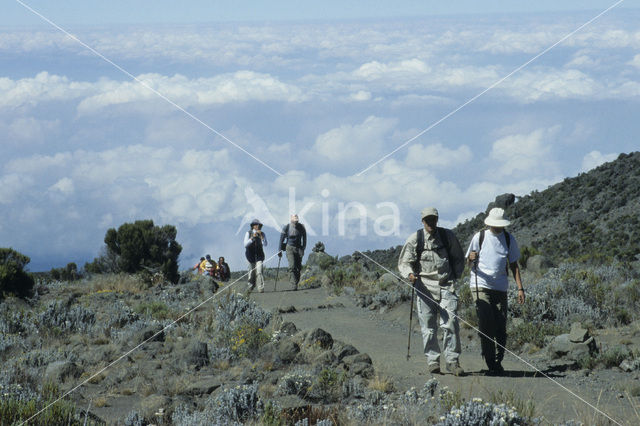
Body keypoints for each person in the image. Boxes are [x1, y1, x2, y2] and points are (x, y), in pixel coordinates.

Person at [398, 207, 465, 376]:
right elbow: (404, 262)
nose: (430, 223)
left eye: (433, 219)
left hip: (446, 285)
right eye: (427, 220)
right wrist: (410, 274)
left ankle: (452, 361)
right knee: (428, 327)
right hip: (424, 287)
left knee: (451, 323)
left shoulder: (447, 236)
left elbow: (458, 258)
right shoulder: (416, 239)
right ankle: (433, 361)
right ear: (422, 221)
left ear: (437, 219)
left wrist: (454, 277)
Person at [466, 207, 525, 376]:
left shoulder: (508, 238)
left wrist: (520, 288)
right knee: (486, 323)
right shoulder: (480, 237)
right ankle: (491, 362)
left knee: (500, 326)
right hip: (480, 284)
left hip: (500, 287)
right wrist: (470, 259)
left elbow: (514, 265)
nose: (498, 227)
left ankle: (498, 360)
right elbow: (468, 261)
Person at [279, 214, 307, 291]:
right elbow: (281, 239)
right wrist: (279, 250)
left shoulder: (301, 227)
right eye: (294, 221)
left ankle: (296, 282)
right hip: (289, 248)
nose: (295, 222)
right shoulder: (287, 227)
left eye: (296, 221)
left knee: (298, 267)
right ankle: (293, 284)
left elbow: (304, 238)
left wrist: (303, 248)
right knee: (292, 266)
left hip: (299, 248)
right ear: (291, 220)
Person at [244, 218, 268, 293]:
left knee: (259, 271)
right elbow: (245, 244)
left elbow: (265, 244)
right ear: (253, 226)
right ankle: (250, 287)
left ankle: (260, 288)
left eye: (259, 225)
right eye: (256, 225)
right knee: (251, 273)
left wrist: (261, 236)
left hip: (259, 256)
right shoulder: (248, 233)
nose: (258, 226)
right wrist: (252, 238)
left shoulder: (262, 234)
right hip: (250, 256)